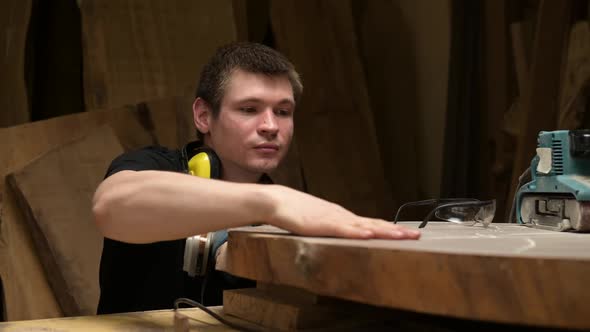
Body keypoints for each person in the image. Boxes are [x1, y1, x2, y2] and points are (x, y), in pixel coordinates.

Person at [92, 42, 420, 314]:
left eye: (283, 111)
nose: (271, 126)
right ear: (204, 116)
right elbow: (110, 207)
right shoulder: (154, 165)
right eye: (249, 109)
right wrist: (270, 201)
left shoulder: (283, 211)